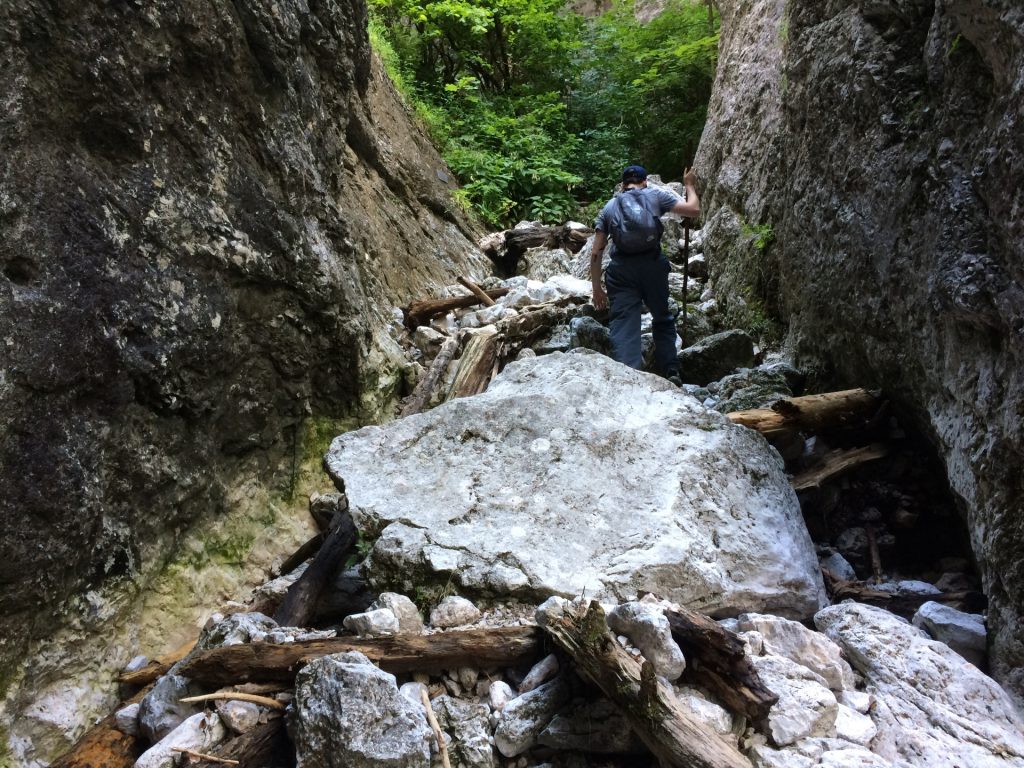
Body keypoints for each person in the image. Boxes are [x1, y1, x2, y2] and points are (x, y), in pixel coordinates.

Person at [590, 164, 700, 383]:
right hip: (653, 266)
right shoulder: (655, 195)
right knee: (662, 316)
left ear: (622, 186)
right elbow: (693, 210)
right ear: (645, 181)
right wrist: (689, 184)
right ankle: (670, 369)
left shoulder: (610, 207)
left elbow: (596, 252)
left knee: (623, 322)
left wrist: (596, 288)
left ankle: (629, 376)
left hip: (622, 272)